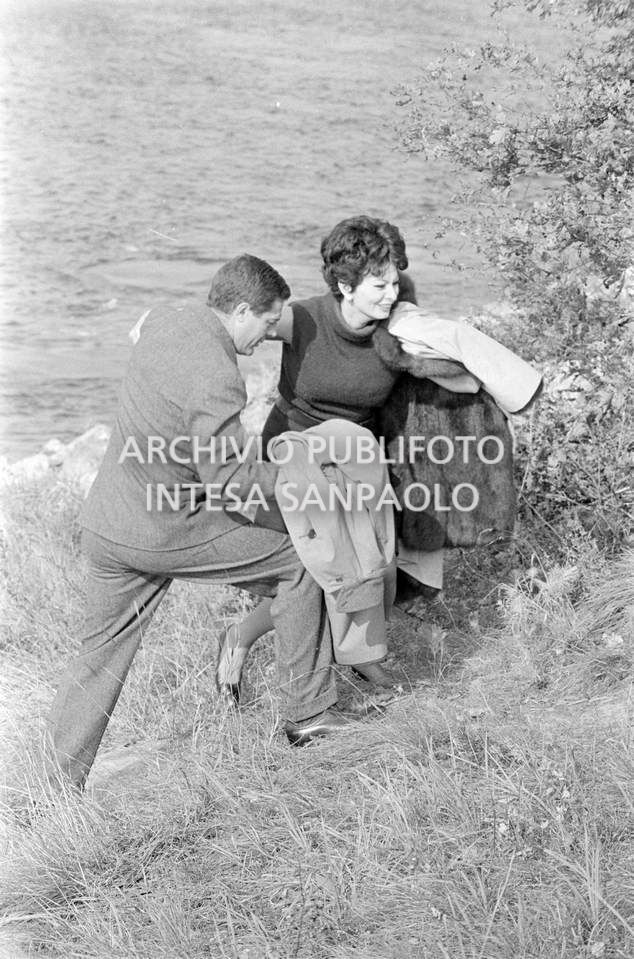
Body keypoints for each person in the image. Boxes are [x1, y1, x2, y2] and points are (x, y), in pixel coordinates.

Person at [47, 254, 369, 791]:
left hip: (108, 523)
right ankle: (310, 715)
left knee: (97, 654)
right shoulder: (219, 377)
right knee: (298, 560)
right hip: (165, 528)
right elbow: (231, 482)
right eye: (268, 323)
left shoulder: (167, 318)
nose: (269, 336)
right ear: (241, 309)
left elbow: (140, 327)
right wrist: (312, 479)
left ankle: (53, 790)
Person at [215, 217, 466, 701]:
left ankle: (361, 657)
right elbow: (232, 328)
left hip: (354, 461)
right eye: (379, 284)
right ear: (345, 285)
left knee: (369, 562)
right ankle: (247, 639)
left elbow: (459, 378)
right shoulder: (302, 320)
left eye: (396, 282)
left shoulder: (398, 332)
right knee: (319, 566)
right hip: (292, 454)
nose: (391, 293)